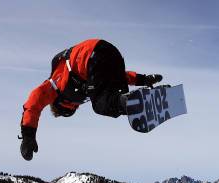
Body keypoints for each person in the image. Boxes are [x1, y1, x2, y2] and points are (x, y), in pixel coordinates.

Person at [19, 39, 163, 160]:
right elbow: (119, 75)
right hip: (112, 55)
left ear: (60, 103)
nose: (76, 105)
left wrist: (28, 136)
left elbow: (34, 102)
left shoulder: (55, 86)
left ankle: (133, 101)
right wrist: (143, 79)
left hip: (92, 56)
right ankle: (141, 99)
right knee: (116, 99)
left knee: (101, 105)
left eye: (70, 106)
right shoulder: (76, 91)